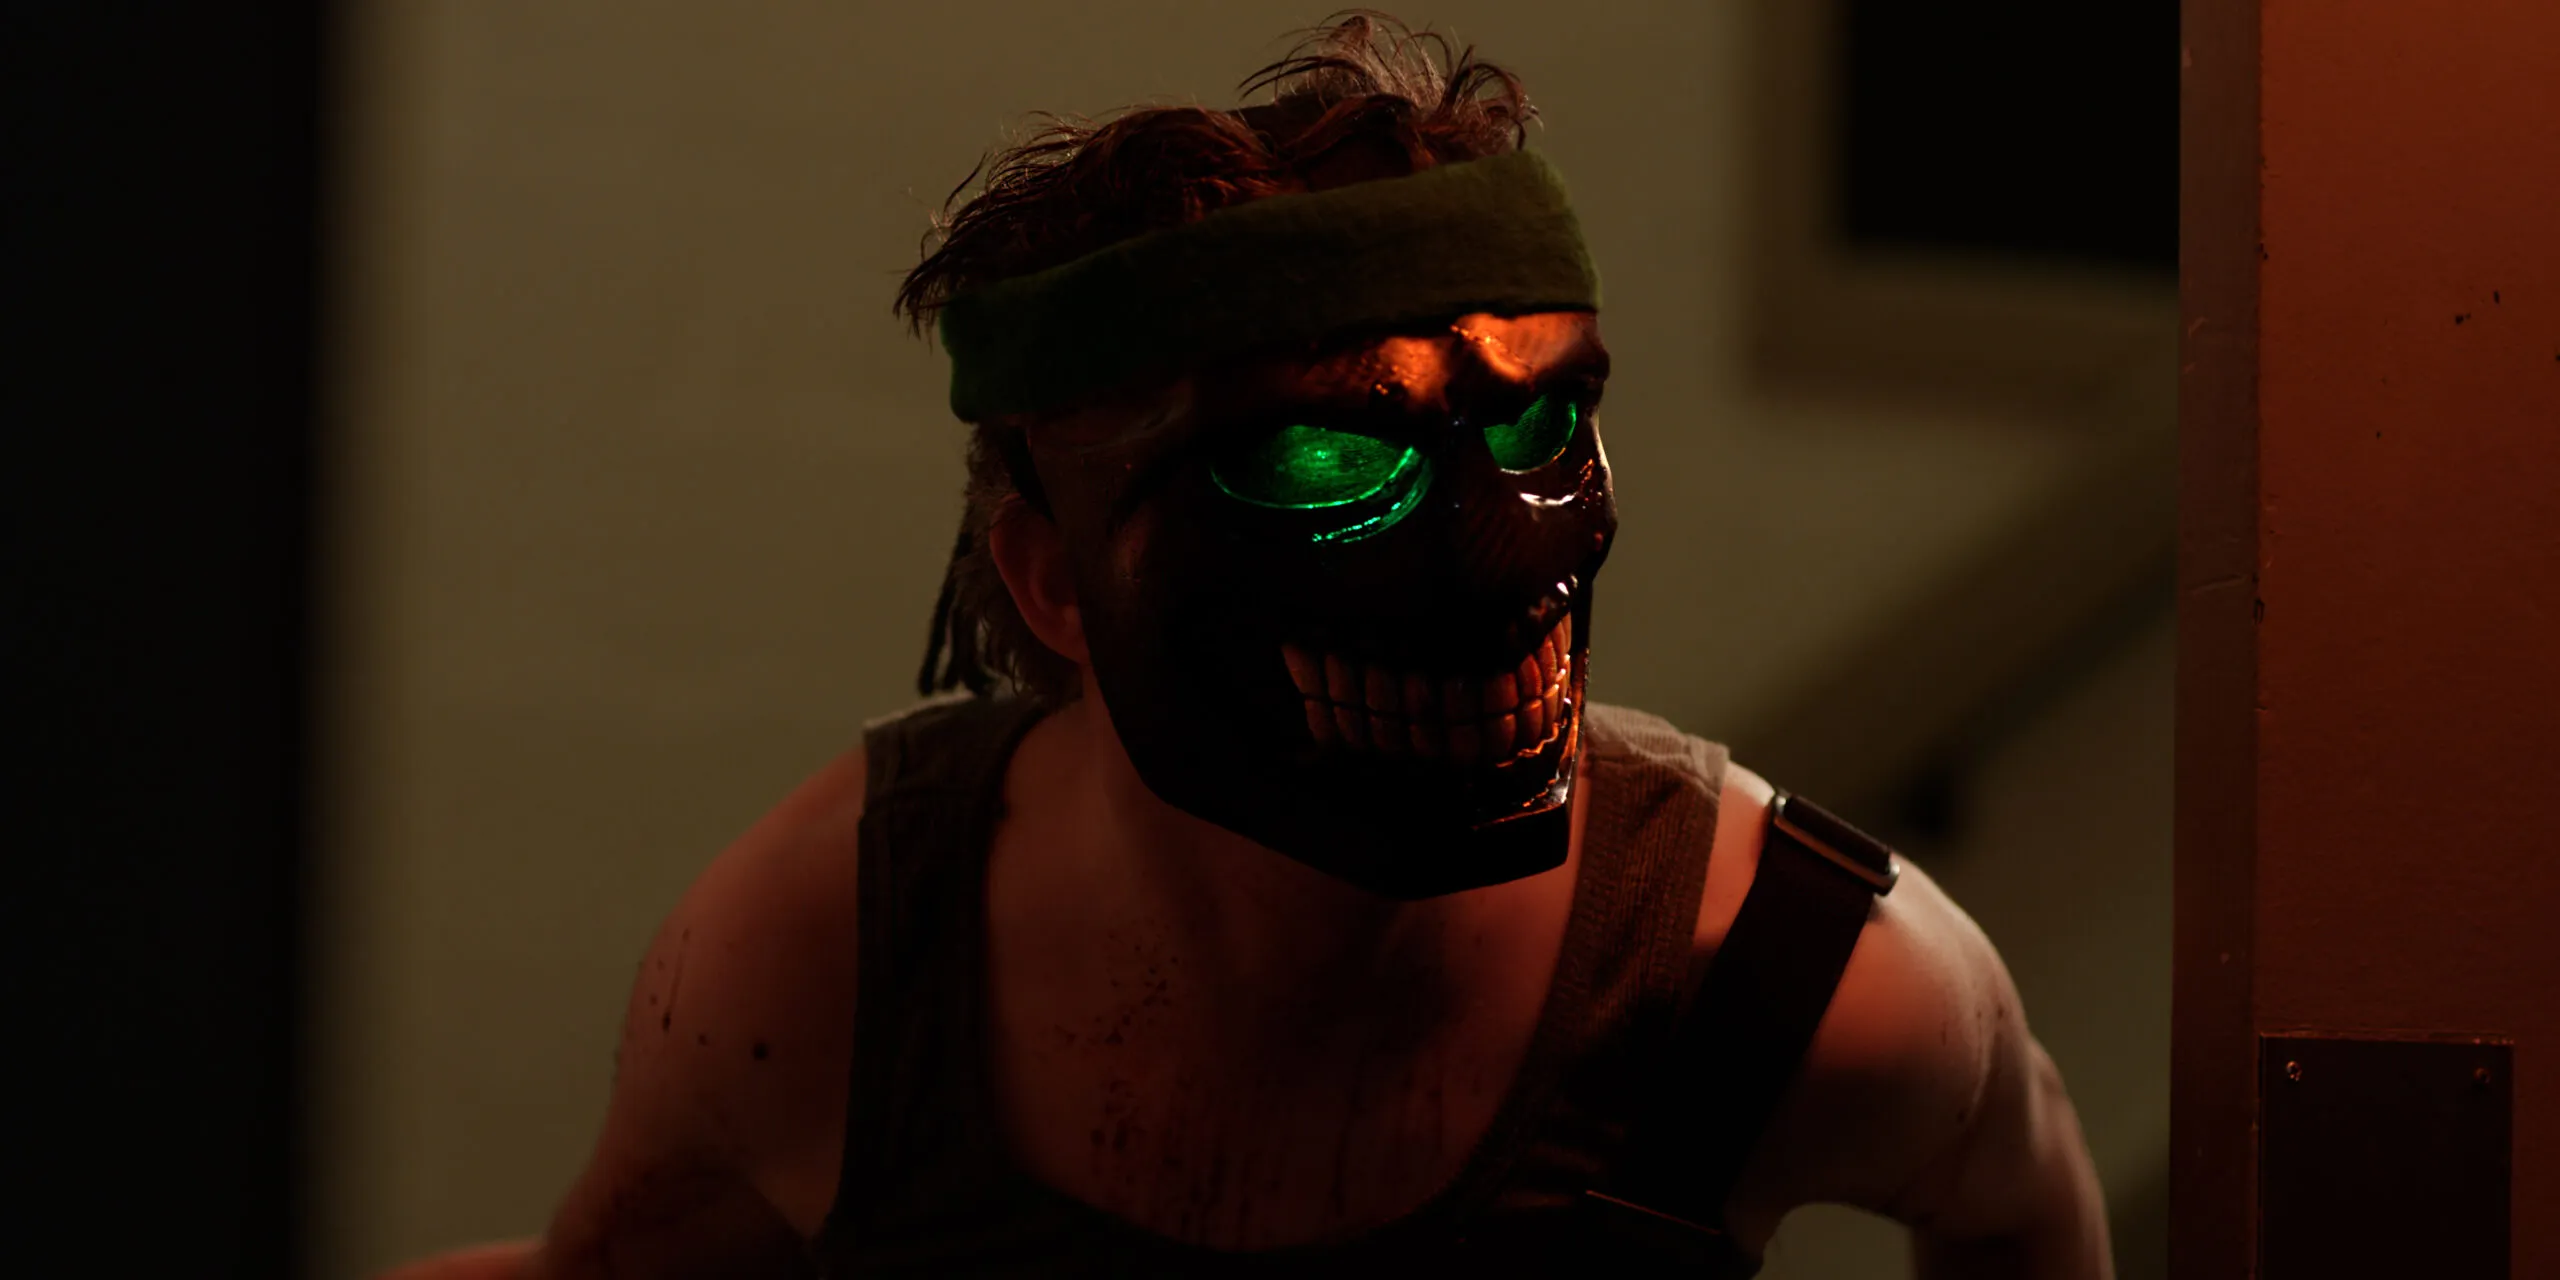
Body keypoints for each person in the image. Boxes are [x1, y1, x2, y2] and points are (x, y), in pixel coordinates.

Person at [385, 15, 2112, 1279]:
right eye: (1322, 464)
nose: (1499, 557)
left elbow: (2021, 1203)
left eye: (1536, 428)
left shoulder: (1787, 975)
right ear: (1053, 578)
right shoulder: (831, 964)